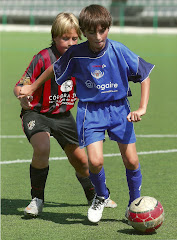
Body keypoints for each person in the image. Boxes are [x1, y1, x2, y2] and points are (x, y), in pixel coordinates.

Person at [18, 5, 154, 223]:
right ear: (84, 31)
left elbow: (144, 75)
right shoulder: (76, 53)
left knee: (131, 159)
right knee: (95, 161)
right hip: (91, 111)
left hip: (119, 109)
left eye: (103, 30)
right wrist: (32, 88)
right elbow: (55, 67)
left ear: (109, 27)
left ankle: (134, 204)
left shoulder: (119, 50)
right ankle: (100, 195)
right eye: (92, 32)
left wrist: (142, 107)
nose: (98, 37)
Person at [14, 12, 117, 218]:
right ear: (54, 37)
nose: (70, 43)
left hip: (63, 116)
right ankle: (37, 200)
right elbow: (21, 85)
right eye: (64, 38)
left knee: (81, 161)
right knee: (42, 147)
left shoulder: (82, 58)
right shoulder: (43, 57)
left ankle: (96, 197)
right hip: (37, 113)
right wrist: (22, 95)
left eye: (74, 38)